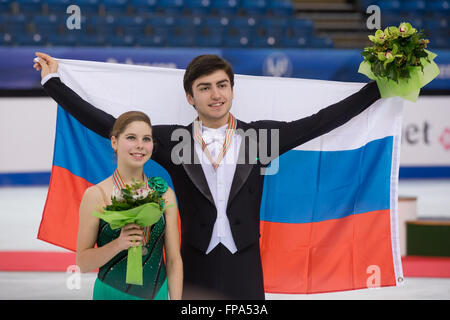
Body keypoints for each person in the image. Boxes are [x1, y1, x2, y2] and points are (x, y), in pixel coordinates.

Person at [34, 52, 381, 299]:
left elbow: (321, 121)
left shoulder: (260, 139)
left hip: (245, 261)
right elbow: (109, 125)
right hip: (192, 261)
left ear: (232, 90)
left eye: (222, 85)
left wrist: (380, 88)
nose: (215, 94)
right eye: (205, 87)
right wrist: (54, 83)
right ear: (190, 96)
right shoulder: (171, 139)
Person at [74, 110, 183, 300]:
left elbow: (173, 260)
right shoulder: (96, 195)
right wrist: (118, 245)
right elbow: (83, 264)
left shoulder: (164, 193)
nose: (140, 146)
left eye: (146, 139)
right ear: (114, 142)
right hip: (111, 294)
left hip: (158, 294)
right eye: (131, 138)